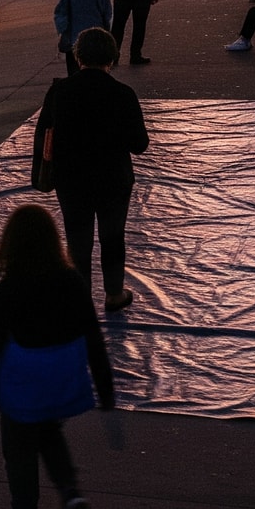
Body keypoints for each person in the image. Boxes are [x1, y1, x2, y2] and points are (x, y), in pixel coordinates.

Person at [0, 204, 114, 509]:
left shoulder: (7, 290)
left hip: (22, 386)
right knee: (48, 434)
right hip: (61, 380)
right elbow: (92, 335)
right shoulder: (72, 282)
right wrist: (105, 387)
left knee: (19, 450)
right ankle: (70, 492)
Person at [32, 28, 150, 311]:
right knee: (112, 236)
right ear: (112, 57)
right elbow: (140, 144)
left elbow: (43, 135)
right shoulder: (123, 94)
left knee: (77, 238)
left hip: (71, 179)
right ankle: (114, 293)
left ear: (78, 56)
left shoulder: (59, 92)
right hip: (113, 178)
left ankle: (80, 297)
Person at [53, 0, 113, 76]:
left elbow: (60, 13)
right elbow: (107, 13)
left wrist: (63, 30)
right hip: (96, 39)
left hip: (74, 41)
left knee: (75, 75)